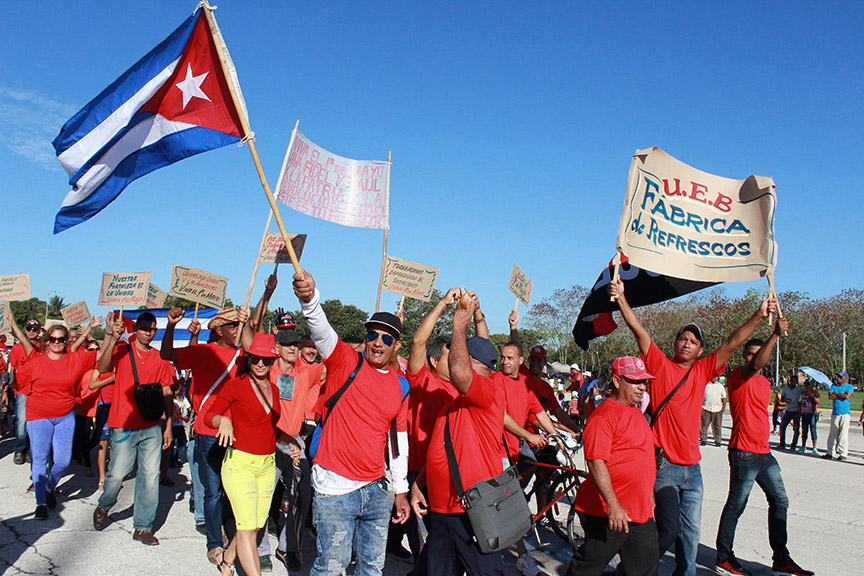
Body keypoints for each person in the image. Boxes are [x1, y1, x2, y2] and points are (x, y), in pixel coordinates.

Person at [608, 278, 774, 576]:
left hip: (693, 469)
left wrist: (759, 315)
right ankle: (633, 570)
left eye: (693, 341)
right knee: (669, 528)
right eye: (682, 338)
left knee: (691, 537)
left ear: (700, 351)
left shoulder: (703, 370)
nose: (686, 343)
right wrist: (621, 298)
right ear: (674, 344)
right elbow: (639, 330)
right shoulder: (658, 365)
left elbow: (733, 342)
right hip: (665, 466)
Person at [292, 270, 410, 576]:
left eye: (387, 338)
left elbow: (397, 443)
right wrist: (309, 299)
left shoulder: (401, 386)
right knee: (331, 568)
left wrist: (400, 490)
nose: (378, 342)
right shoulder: (346, 360)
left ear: (397, 345)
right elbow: (321, 330)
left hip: (375, 490)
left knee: (372, 569)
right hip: (335, 489)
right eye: (373, 334)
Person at [410, 296, 508, 576]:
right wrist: (419, 483)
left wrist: (460, 326)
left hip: (471, 511)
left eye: (462, 355)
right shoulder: (452, 404)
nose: (456, 359)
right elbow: (441, 450)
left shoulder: (487, 393)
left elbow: (460, 369)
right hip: (443, 511)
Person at [715, 316, 814, 576]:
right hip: (744, 453)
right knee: (736, 504)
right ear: (744, 357)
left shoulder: (764, 382)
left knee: (780, 501)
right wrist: (775, 336)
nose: (753, 358)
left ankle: (781, 559)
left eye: (757, 355)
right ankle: (724, 557)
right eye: (749, 354)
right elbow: (757, 363)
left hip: (764, 453)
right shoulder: (738, 375)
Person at [161, 306, 251, 565]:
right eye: (232, 326)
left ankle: (234, 536)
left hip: (238, 433)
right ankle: (214, 541)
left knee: (235, 492)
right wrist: (170, 326)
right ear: (219, 330)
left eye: (239, 325)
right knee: (212, 491)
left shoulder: (245, 355)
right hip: (208, 432)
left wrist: (261, 302)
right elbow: (167, 354)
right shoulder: (203, 351)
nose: (237, 330)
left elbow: (258, 342)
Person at [403, 287, 484, 569]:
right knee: (426, 539)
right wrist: (442, 304)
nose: (457, 361)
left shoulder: (463, 389)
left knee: (442, 538)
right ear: (435, 361)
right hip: (421, 472)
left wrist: (475, 313)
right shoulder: (421, 380)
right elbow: (417, 341)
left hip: (453, 475)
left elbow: (480, 348)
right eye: (450, 355)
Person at [566, 356, 657, 576]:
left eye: (643, 381)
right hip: (607, 511)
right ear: (617, 381)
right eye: (635, 381)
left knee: (645, 567)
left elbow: (643, 459)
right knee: (588, 567)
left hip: (640, 511)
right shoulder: (604, 416)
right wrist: (613, 505)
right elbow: (596, 461)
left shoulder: (637, 413)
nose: (642, 387)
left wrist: (649, 494)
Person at [93, 312, 176, 545]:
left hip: (151, 426)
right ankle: (104, 505)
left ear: (155, 332)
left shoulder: (160, 359)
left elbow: (168, 392)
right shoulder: (123, 349)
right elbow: (103, 366)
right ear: (136, 329)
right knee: (118, 473)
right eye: (143, 328)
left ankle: (143, 527)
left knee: (150, 477)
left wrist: (168, 426)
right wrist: (112, 338)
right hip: (123, 424)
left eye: (151, 329)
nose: (147, 333)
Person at [206, 332, 285, 576]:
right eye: (255, 359)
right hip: (240, 464)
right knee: (248, 529)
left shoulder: (274, 387)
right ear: (247, 360)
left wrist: (289, 439)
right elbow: (209, 416)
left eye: (266, 360)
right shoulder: (235, 385)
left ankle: (227, 561)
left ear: (273, 361)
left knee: (255, 525)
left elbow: (267, 426)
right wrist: (224, 422)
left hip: (267, 465)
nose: (260, 364)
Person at [16, 322, 105, 519]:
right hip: (38, 415)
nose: (57, 343)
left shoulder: (76, 360)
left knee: (63, 461)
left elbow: (102, 353)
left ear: (66, 342)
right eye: (53, 339)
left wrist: (107, 333)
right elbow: (18, 382)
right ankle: (40, 504)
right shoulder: (34, 363)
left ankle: (48, 488)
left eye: (61, 339)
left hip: (65, 416)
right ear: (46, 341)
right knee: (39, 459)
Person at [266, 328, 322, 572]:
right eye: (286, 344)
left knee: (302, 497)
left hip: (295, 445)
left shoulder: (306, 372)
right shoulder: (265, 369)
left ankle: (287, 547)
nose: (292, 348)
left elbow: (341, 363)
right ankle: (258, 549)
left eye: (295, 345)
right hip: (267, 443)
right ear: (276, 348)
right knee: (261, 499)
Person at [8, 318, 43, 465]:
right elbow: (12, 369)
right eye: (29, 329)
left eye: (34, 329)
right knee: (21, 420)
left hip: (37, 391)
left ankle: (29, 451)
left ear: (39, 331)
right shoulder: (17, 348)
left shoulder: (42, 348)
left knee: (33, 422)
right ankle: (19, 449)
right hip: (21, 390)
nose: (31, 332)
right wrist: (9, 386)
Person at [823, 370, 854, 461]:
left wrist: (836, 394)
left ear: (845, 378)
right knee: (833, 432)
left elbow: (847, 396)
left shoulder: (849, 386)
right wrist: (841, 395)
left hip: (845, 412)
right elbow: (830, 396)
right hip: (836, 412)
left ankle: (843, 453)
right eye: (838, 377)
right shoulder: (834, 386)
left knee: (843, 434)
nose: (839, 378)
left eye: (841, 377)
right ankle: (830, 451)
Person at [778, 374, 803, 450]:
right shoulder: (786, 389)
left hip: (796, 411)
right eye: (793, 381)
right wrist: (785, 400)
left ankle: (793, 445)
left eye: (795, 381)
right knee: (782, 426)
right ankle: (782, 444)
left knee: (796, 428)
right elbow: (782, 399)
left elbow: (806, 393)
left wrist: (801, 402)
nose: (794, 383)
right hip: (788, 410)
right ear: (790, 381)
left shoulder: (799, 389)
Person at [699, 378, 726, 447]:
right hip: (706, 408)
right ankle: (703, 439)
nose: (715, 378)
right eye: (714, 376)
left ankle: (718, 440)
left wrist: (723, 407)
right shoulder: (705, 385)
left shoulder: (720, 386)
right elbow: (701, 396)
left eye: (716, 377)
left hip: (717, 409)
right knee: (704, 425)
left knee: (717, 426)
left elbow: (724, 397)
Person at [798, 380, 820, 454]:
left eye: (808, 385)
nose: (806, 386)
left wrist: (811, 395)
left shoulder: (815, 392)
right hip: (804, 413)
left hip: (812, 413)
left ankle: (814, 447)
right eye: (805, 384)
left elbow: (818, 401)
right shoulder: (803, 393)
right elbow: (802, 402)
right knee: (804, 430)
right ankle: (803, 446)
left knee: (813, 430)